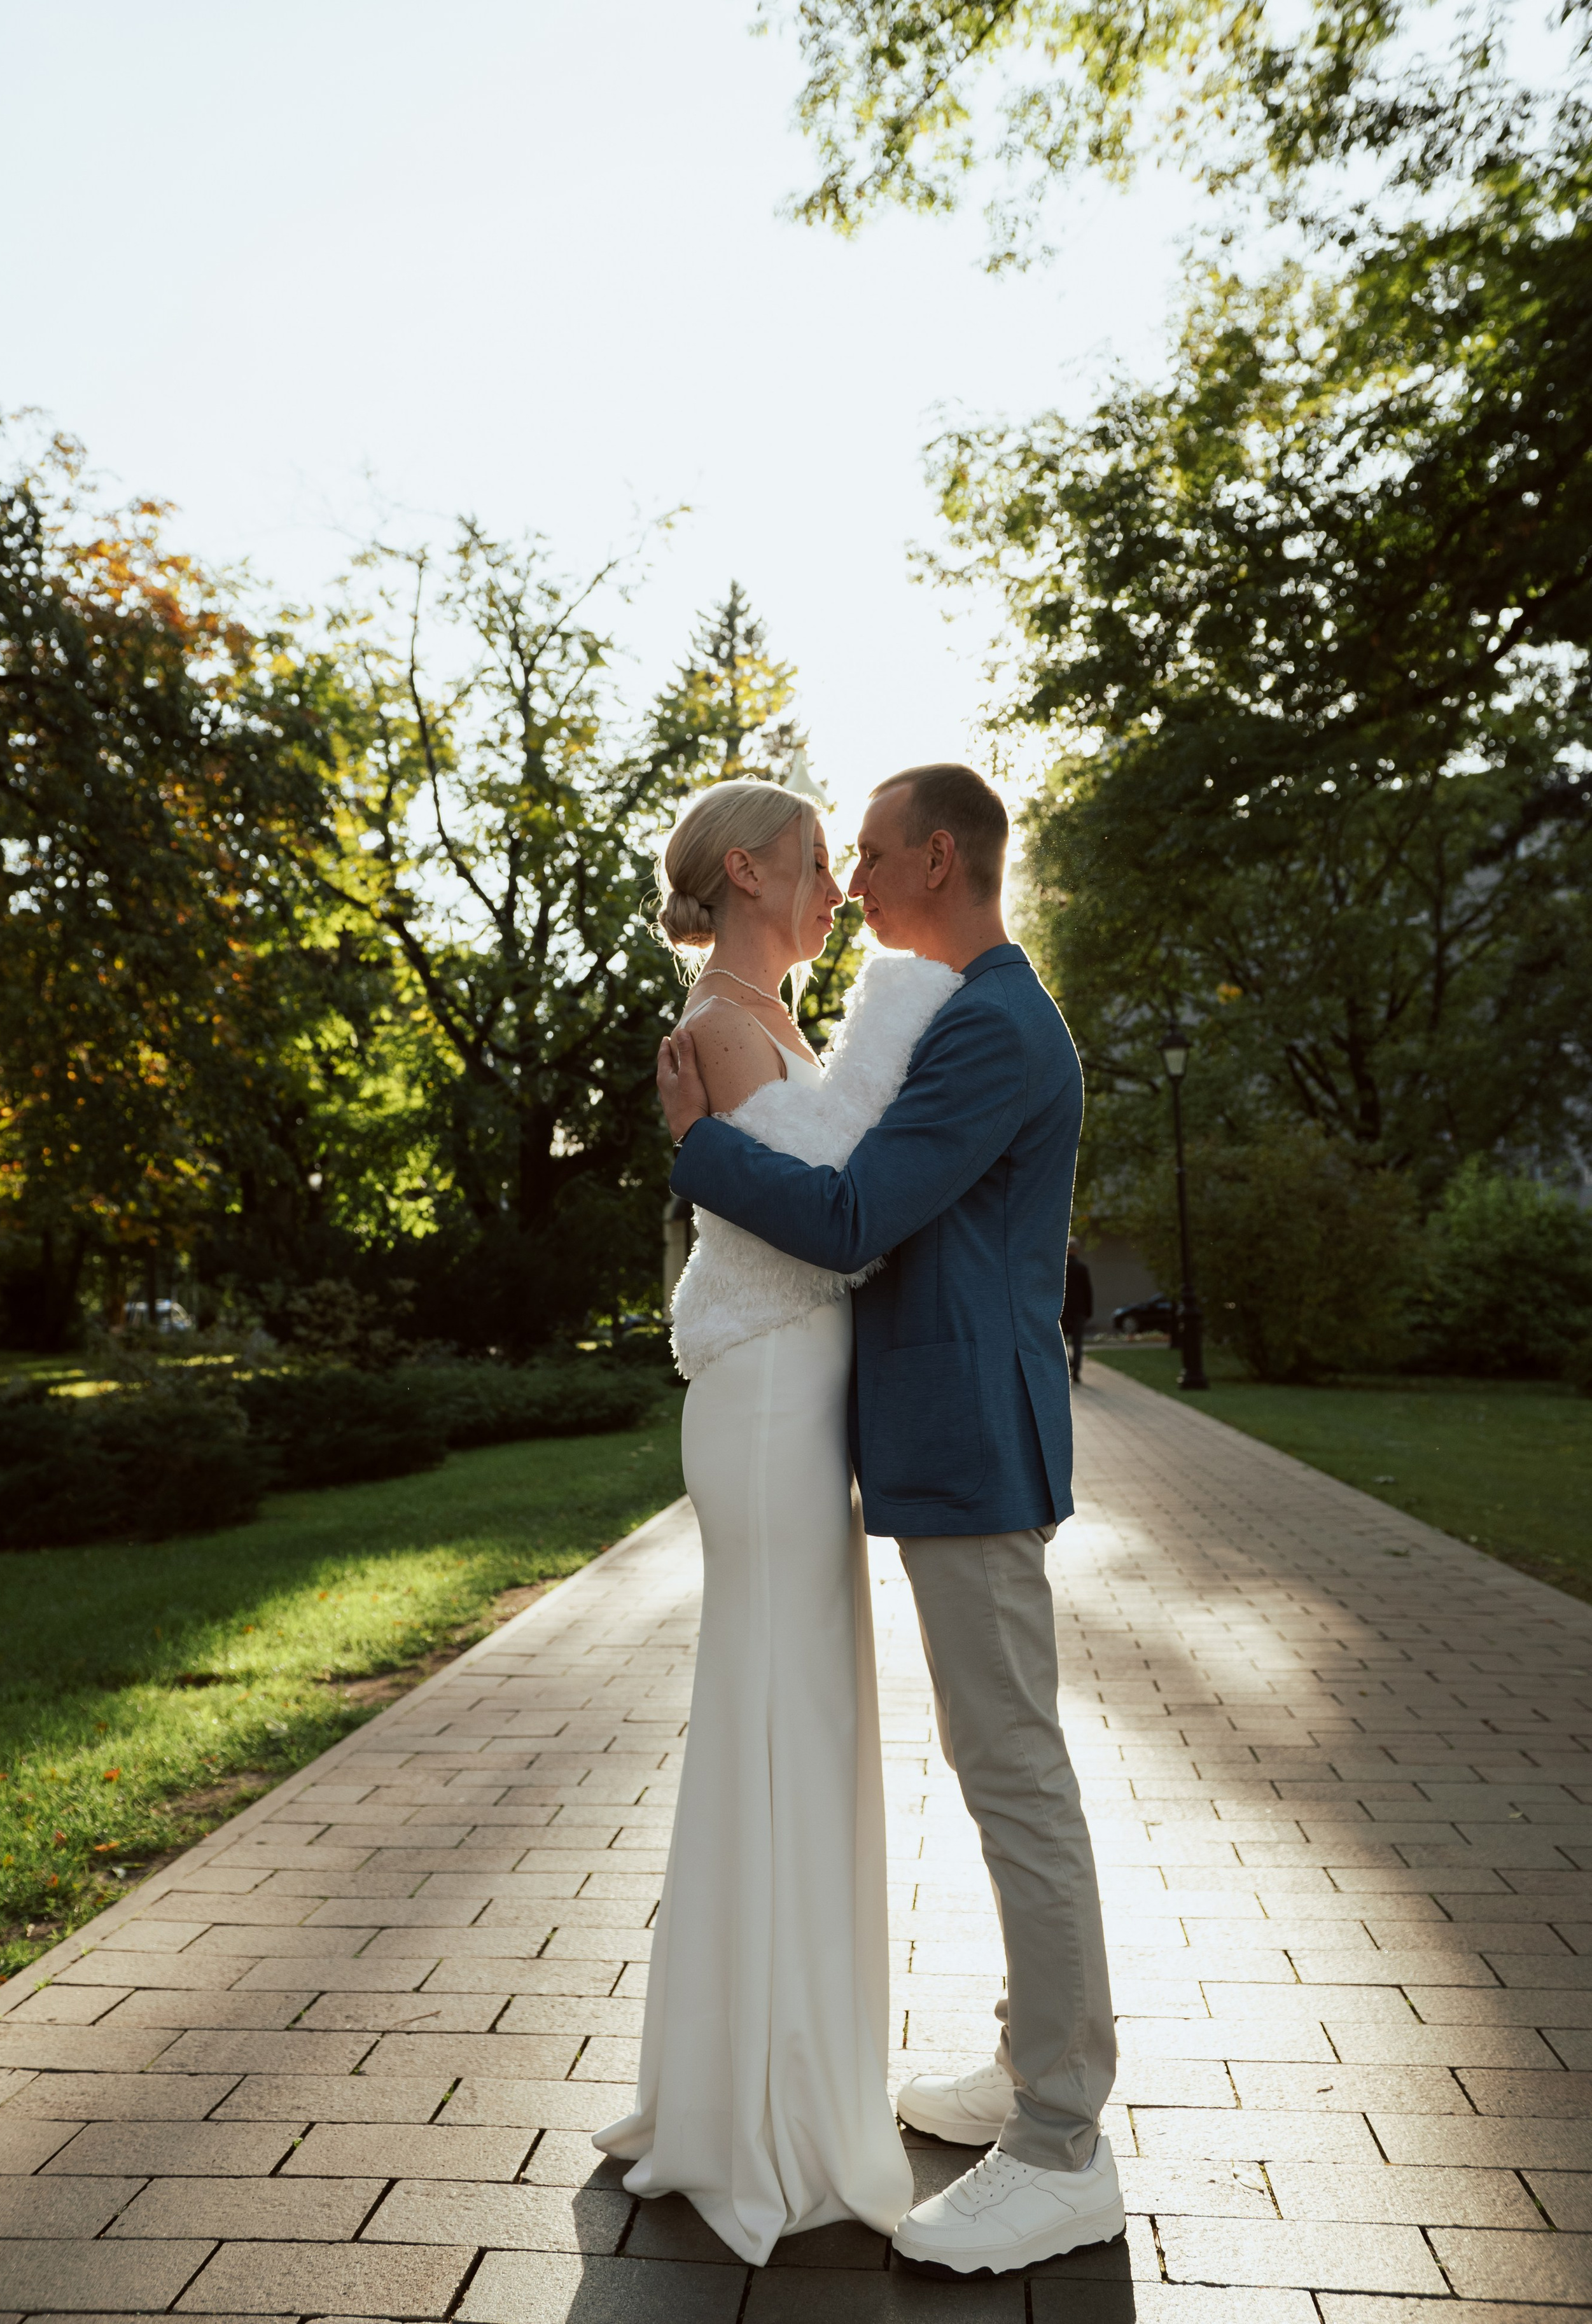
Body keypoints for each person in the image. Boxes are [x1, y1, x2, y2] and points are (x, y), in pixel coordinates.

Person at [657, 763, 1121, 2280]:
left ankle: (1059, 2142)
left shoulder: (987, 1023)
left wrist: (698, 1147)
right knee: (998, 1760)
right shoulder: (968, 1009)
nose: (847, 878)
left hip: (970, 1438)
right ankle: (1026, 2062)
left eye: (865, 850)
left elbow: (854, 1218)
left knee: (1011, 1769)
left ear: (938, 852)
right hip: (940, 1434)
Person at [593, 778, 927, 2265]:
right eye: (812, 865)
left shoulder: (770, 1021)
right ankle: (756, 2107)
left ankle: (770, 2067)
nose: (835, 889)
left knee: (799, 1712)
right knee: (777, 1711)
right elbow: (817, 1214)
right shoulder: (722, 1029)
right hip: (766, 1391)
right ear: (745, 870)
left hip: (800, 1393)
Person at [1062, 1236, 1094, 1384]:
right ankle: (1077, 1372)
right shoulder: (1082, 1268)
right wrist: (1088, 1311)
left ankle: (1066, 1367)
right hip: (1079, 1311)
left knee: (1063, 1342)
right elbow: (1088, 1291)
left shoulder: (1061, 1268)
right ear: (1077, 1250)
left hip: (1063, 1311)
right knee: (1077, 1343)